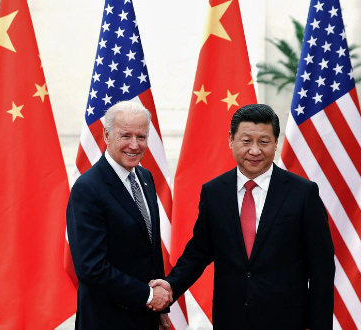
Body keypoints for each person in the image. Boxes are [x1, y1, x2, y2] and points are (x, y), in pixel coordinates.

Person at [152, 104, 335, 329]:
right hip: (230, 319)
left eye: (264, 142)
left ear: (276, 143)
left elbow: (322, 268)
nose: (255, 150)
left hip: (287, 320)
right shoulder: (214, 192)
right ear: (231, 140)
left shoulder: (303, 193)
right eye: (246, 141)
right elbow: (198, 252)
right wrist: (171, 286)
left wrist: (318, 325)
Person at [67, 101, 172, 330]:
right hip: (106, 320)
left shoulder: (145, 177)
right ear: (106, 134)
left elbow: (150, 249)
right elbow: (90, 267)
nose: (134, 145)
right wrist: (147, 295)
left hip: (146, 317)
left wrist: (160, 308)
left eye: (141, 137)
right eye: (125, 135)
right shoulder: (88, 188)